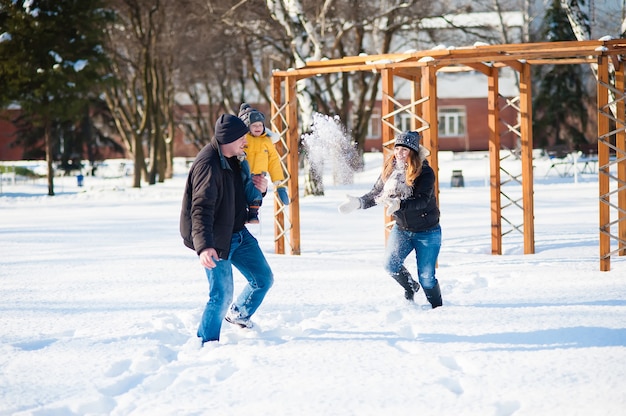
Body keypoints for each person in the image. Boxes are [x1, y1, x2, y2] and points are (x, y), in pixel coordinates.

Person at [180, 113, 275, 345]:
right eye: (242, 138)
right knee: (221, 295)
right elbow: (200, 209)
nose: (246, 142)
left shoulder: (234, 158)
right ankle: (206, 342)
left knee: (263, 279)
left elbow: (240, 194)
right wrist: (204, 247)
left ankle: (239, 313)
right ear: (227, 139)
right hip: (215, 239)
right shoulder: (208, 165)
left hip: (237, 232)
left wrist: (259, 190)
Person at [338, 130, 442, 308]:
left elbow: (423, 200)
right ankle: (411, 287)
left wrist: (400, 204)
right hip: (402, 229)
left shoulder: (424, 172)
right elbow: (376, 193)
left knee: (426, 277)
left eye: (404, 150)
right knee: (390, 265)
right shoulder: (391, 168)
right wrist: (358, 203)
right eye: (397, 148)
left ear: (413, 152)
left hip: (427, 232)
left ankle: (438, 309)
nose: (399, 153)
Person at [238, 103, 290, 224]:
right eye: (254, 125)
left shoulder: (267, 142)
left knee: (256, 195)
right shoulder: (244, 138)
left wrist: (279, 184)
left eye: (260, 125)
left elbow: (274, 162)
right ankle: (241, 212)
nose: (258, 127)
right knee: (241, 193)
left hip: (259, 175)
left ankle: (253, 214)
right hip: (244, 172)